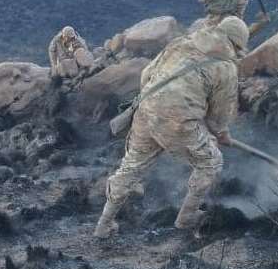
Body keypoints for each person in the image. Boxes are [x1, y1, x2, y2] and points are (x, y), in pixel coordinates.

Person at [94, 17, 248, 238]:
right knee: (211, 162)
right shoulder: (226, 68)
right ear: (236, 43)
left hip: (145, 109)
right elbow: (220, 113)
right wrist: (221, 132)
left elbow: (147, 73)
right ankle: (187, 217)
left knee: (131, 167)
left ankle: (103, 225)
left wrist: (155, 103)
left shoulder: (182, 43)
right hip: (178, 121)